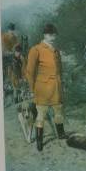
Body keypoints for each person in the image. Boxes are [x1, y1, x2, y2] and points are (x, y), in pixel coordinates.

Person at [25, 23, 67, 151]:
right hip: (42, 88)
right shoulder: (36, 49)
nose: (53, 37)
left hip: (56, 87)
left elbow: (60, 70)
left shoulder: (56, 50)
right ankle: (39, 140)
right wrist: (32, 89)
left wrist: (61, 84)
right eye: (50, 35)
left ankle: (61, 134)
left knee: (58, 111)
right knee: (41, 114)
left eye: (54, 35)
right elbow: (29, 72)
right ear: (44, 35)